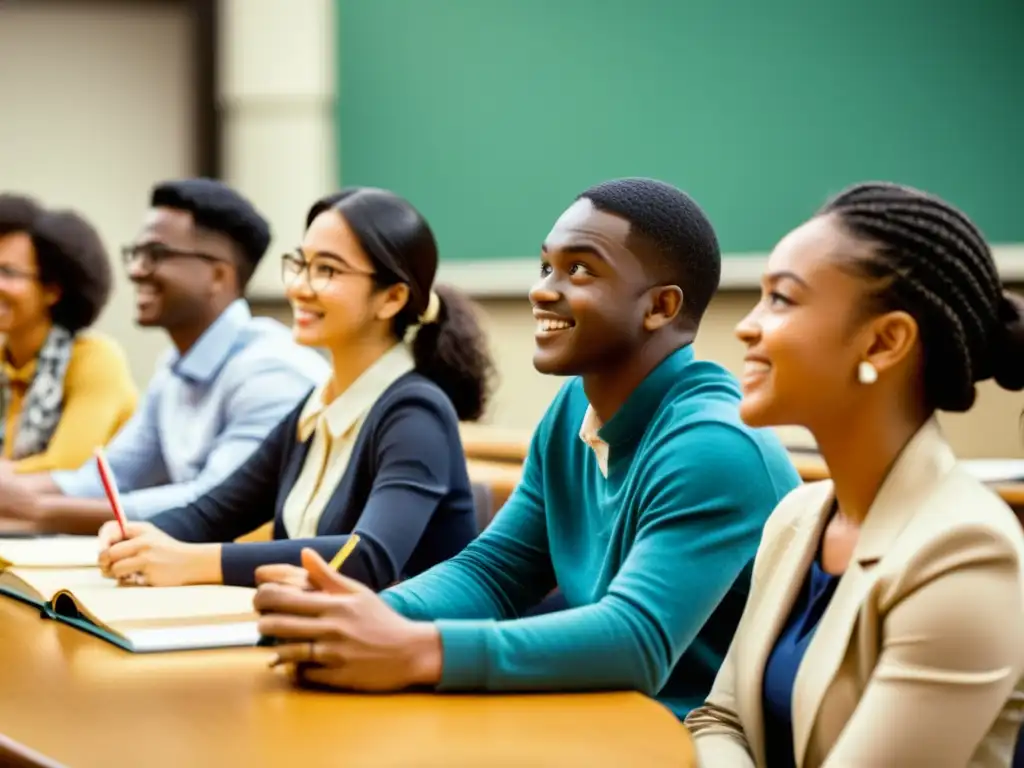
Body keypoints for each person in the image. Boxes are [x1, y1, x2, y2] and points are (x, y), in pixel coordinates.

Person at [251, 178, 801, 717]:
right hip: (602, 718)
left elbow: (637, 642)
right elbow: (493, 573)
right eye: (546, 267)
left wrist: (415, 650)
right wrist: (357, 616)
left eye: (579, 269)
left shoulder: (715, 443)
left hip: (695, 738)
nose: (542, 289)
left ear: (659, 307)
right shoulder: (571, 411)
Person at [683, 182, 1024, 767]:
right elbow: (718, 719)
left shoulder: (969, 551)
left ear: (885, 341)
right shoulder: (797, 517)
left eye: (782, 300)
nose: (748, 326)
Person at [95, 187, 493, 589]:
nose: (300, 287)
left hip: (418, 645)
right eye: (301, 264)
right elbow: (213, 513)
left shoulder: (415, 412)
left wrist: (198, 562)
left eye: (328, 271)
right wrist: (138, 535)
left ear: (391, 298)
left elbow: (366, 557)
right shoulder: (316, 405)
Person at [0, 178, 328, 534]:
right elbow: (112, 476)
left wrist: (40, 510)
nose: (136, 270)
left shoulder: (269, 370)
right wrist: (24, 498)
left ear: (217, 275)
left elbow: (216, 503)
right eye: (136, 254)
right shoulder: (174, 368)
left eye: (156, 255)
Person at [0, 193, 136, 472]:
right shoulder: (6, 361)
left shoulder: (95, 360)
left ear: (53, 289)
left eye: (8, 272)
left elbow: (64, 469)